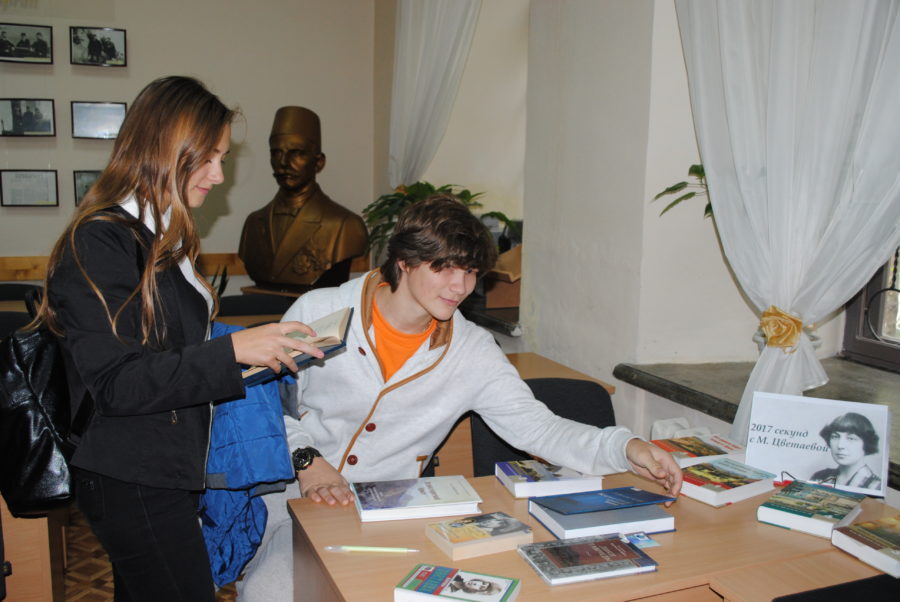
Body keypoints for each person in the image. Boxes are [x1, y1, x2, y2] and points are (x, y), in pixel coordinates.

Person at [236, 194, 682, 601]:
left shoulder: (471, 350)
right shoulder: (320, 311)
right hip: (289, 492)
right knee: (269, 593)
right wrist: (307, 460)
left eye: (469, 271)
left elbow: (539, 428)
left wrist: (624, 446)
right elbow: (261, 405)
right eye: (444, 268)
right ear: (404, 261)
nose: (460, 286)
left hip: (387, 513)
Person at [34, 76, 325, 602]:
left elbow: (173, 348)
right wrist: (233, 352)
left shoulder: (164, 235)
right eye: (207, 158)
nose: (219, 175)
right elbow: (118, 383)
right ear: (162, 149)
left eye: (222, 159)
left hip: (166, 465)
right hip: (131, 474)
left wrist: (255, 344)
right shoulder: (100, 241)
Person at [238, 106, 368, 292]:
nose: (283, 162)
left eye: (296, 152)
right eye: (276, 153)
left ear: (319, 162)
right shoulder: (253, 223)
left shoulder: (345, 225)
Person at [809, 412, 882, 490]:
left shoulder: (876, 486)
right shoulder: (819, 477)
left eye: (851, 438)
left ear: (867, 443)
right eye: (835, 437)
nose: (840, 445)